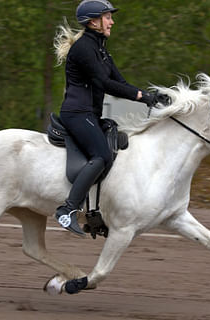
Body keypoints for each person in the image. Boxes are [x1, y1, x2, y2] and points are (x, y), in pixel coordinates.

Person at [53, 0, 170, 236]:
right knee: (102, 155)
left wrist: (150, 97)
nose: (112, 21)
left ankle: (99, 212)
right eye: (108, 17)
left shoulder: (101, 50)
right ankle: (67, 210)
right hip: (77, 114)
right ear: (94, 22)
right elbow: (104, 84)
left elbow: (121, 83)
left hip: (90, 114)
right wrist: (140, 95)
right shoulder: (84, 48)